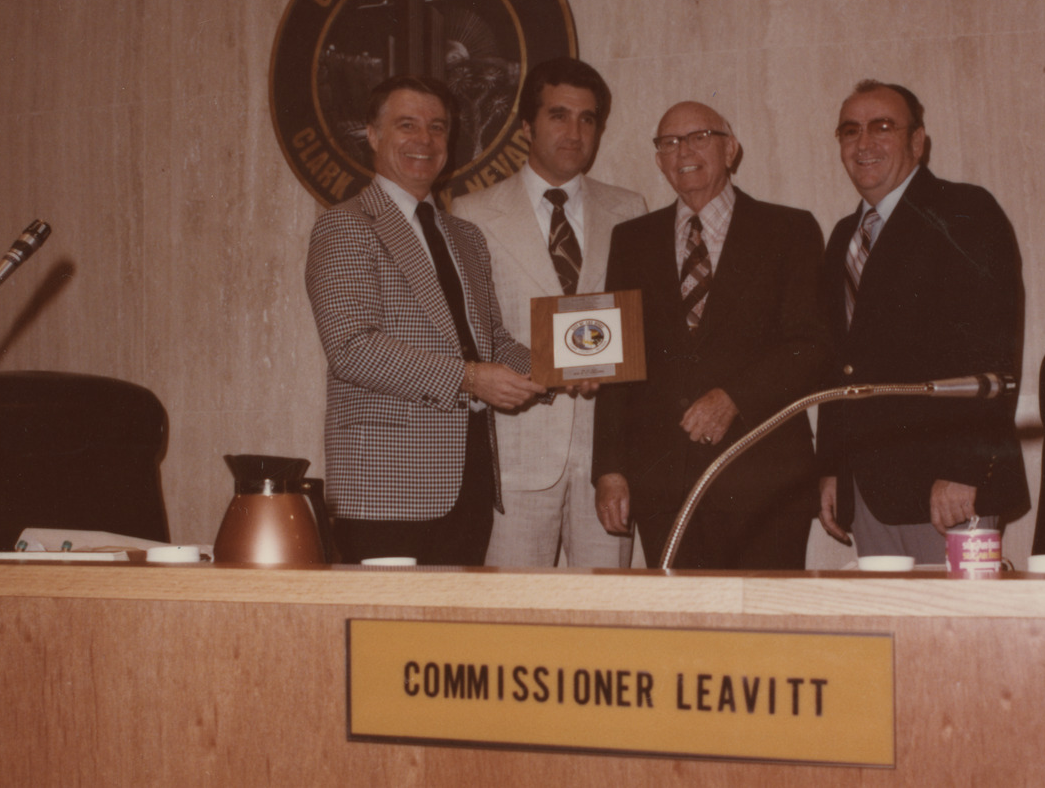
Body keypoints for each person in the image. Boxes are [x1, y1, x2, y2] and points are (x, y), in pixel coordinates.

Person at [305, 76, 544, 565]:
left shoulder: (466, 237)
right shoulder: (345, 224)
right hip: (385, 490)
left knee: (452, 638)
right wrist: (471, 379)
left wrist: (561, 367)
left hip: (470, 484)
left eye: (437, 128)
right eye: (406, 125)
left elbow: (490, 343)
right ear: (372, 135)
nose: (425, 140)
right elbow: (353, 348)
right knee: (384, 639)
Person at [592, 101, 828, 569]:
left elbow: (813, 345)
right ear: (659, 159)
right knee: (685, 638)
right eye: (670, 142)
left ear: (731, 149)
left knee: (763, 638)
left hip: (765, 484)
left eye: (700, 136)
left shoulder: (789, 229)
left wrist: (735, 396)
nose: (684, 151)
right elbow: (617, 362)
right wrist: (610, 470)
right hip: (664, 487)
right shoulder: (631, 239)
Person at [817, 80, 1029, 562]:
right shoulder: (843, 238)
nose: (864, 142)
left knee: (958, 633)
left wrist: (966, 466)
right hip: (868, 490)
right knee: (890, 632)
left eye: (882, 127)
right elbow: (841, 366)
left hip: (948, 490)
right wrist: (833, 469)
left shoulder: (965, 212)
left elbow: (992, 351)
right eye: (850, 131)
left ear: (918, 142)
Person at [452, 58, 646, 568]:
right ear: (525, 126)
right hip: (516, 452)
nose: (574, 132)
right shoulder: (471, 214)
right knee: (512, 622)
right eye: (558, 115)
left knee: (605, 619)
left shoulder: (631, 210)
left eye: (588, 119)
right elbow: (472, 331)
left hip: (606, 458)